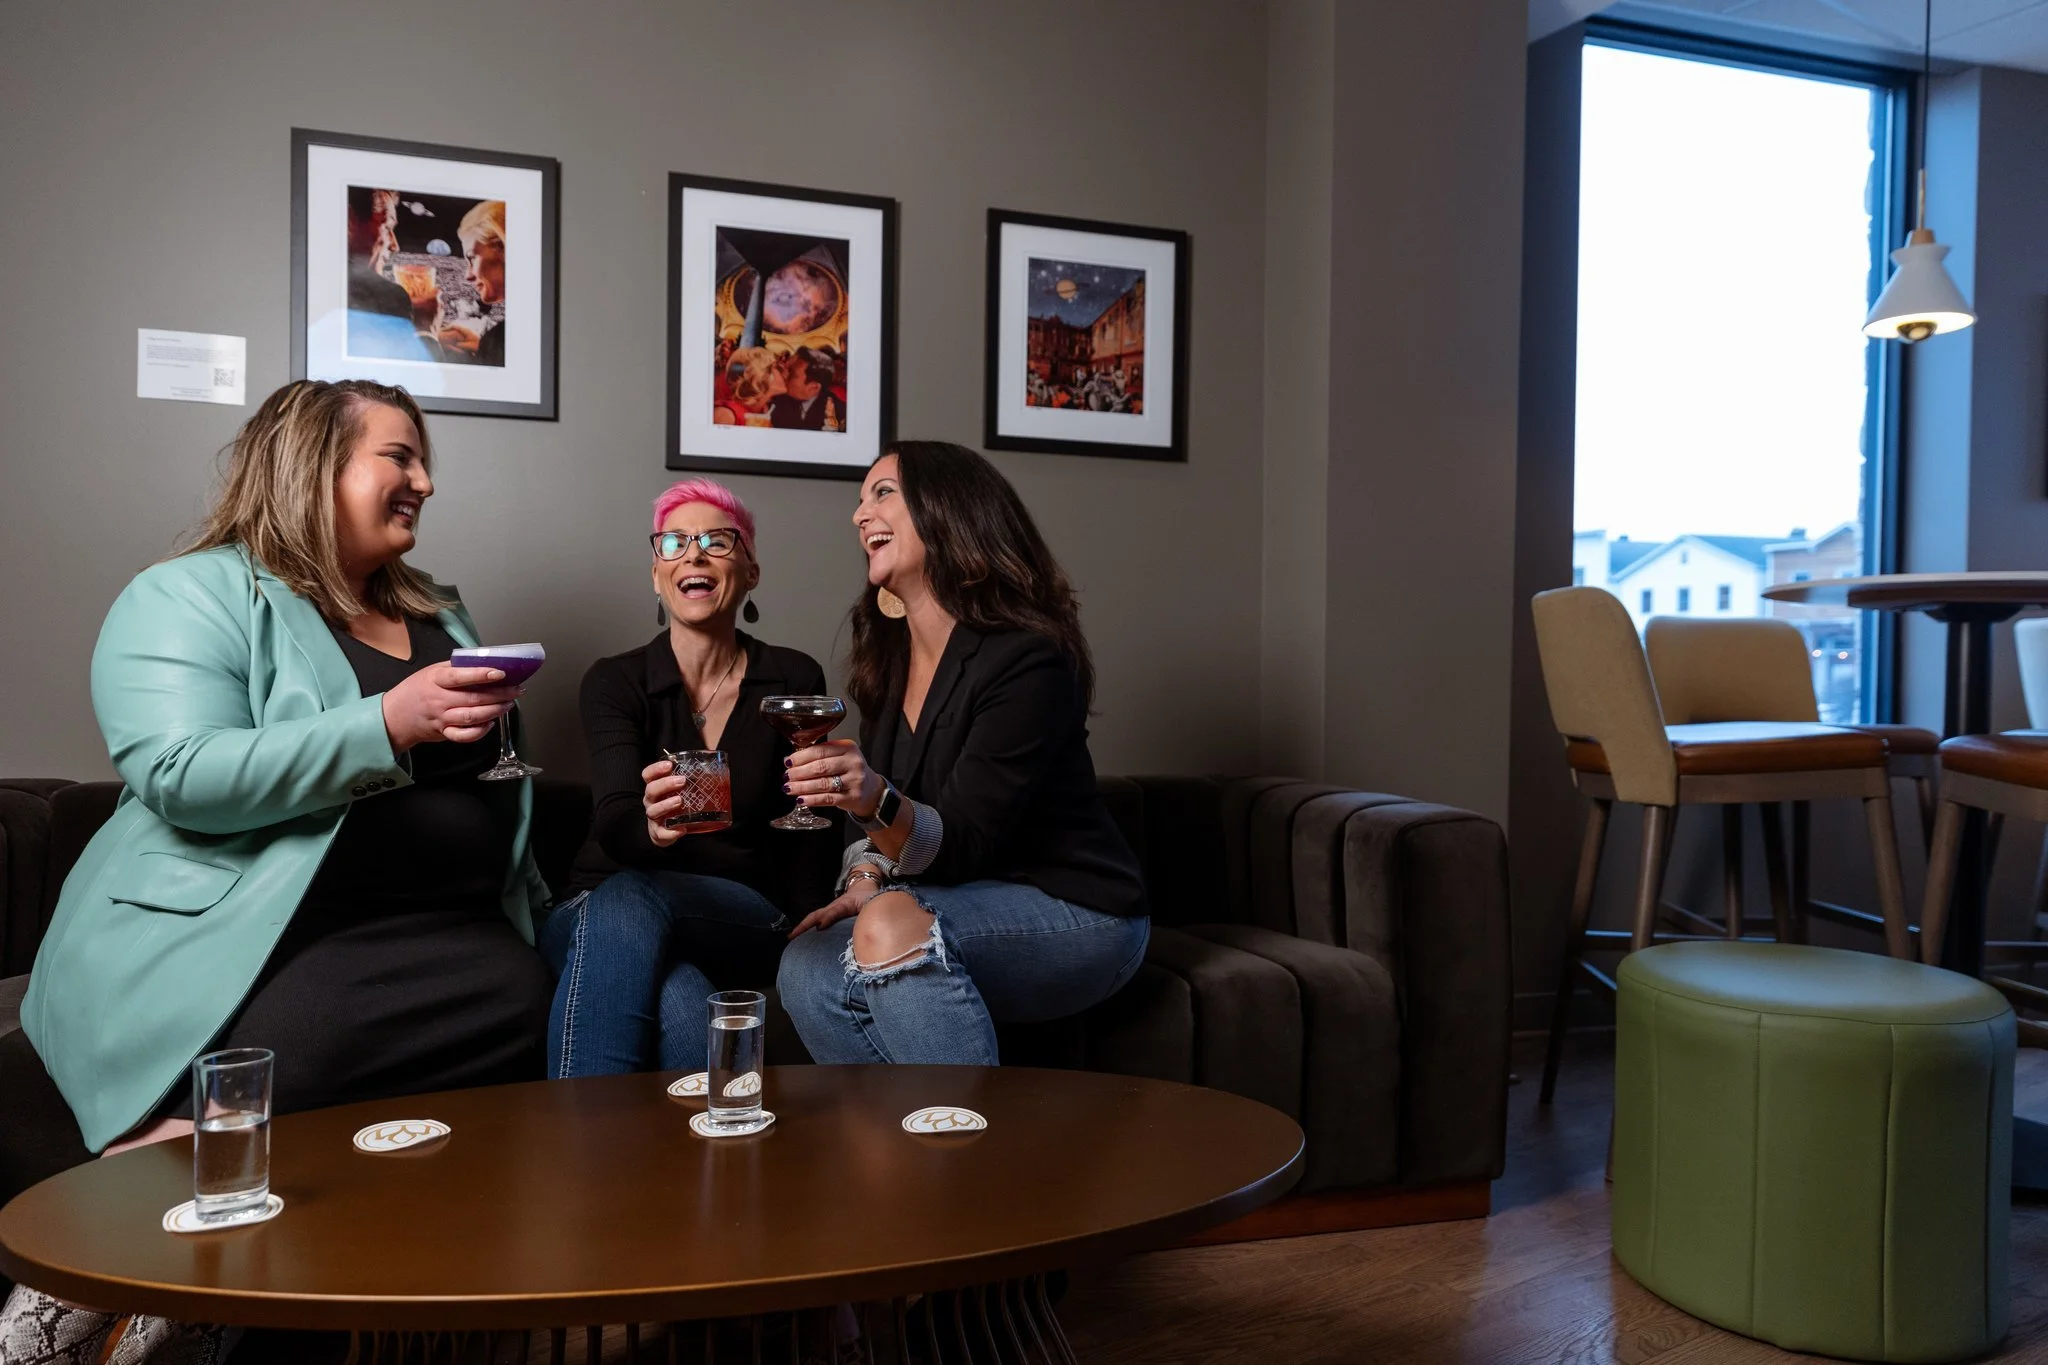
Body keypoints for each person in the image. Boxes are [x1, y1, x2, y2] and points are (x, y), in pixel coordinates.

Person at [0, 378, 551, 1361]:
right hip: (271, 946)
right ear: (314, 465)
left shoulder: (443, 618)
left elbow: (494, 791)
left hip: (463, 958)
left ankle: (207, 1284)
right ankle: (88, 1300)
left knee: (527, 1012)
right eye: (400, 456)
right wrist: (387, 721)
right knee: (310, 1042)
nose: (423, 480)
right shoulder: (192, 593)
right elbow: (178, 773)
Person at [775, 441, 1149, 1065]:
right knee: (806, 963)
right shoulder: (890, 667)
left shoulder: (1026, 659)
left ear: (947, 508)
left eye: (882, 493)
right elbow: (890, 831)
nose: (859, 514)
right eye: (860, 500)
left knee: (892, 922)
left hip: (1080, 914)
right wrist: (865, 877)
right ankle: (894, 1155)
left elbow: (964, 840)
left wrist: (872, 800)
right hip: (958, 899)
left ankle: (970, 1157)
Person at [538, 480, 838, 1076]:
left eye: (716, 542)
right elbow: (615, 823)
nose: (692, 554)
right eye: (673, 542)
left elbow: (812, 818)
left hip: (738, 913)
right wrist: (652, 829)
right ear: (656, 574)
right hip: (594, 910)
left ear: (750, 571)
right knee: (677, 994)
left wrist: (808, 931)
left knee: (632, 898)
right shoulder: (614, 681)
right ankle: (696, 1156)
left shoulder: (791, 676)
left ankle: (579, 1144)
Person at [343, 186, 437, 363]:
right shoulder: (389, 297)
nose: (395, 246)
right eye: (387, 227)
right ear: (349, 221)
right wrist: (425, 329)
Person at [439, 198, 507, 366]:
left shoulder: (499, 336)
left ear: (502, 248)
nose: (467, 276)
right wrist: (484, 348)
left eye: (472, 258)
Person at [767, 349, 833, 431]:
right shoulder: (775, 401)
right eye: (787, 369)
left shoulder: (838, 414)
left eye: (792, 374)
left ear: (813, 388)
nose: (784, 375)